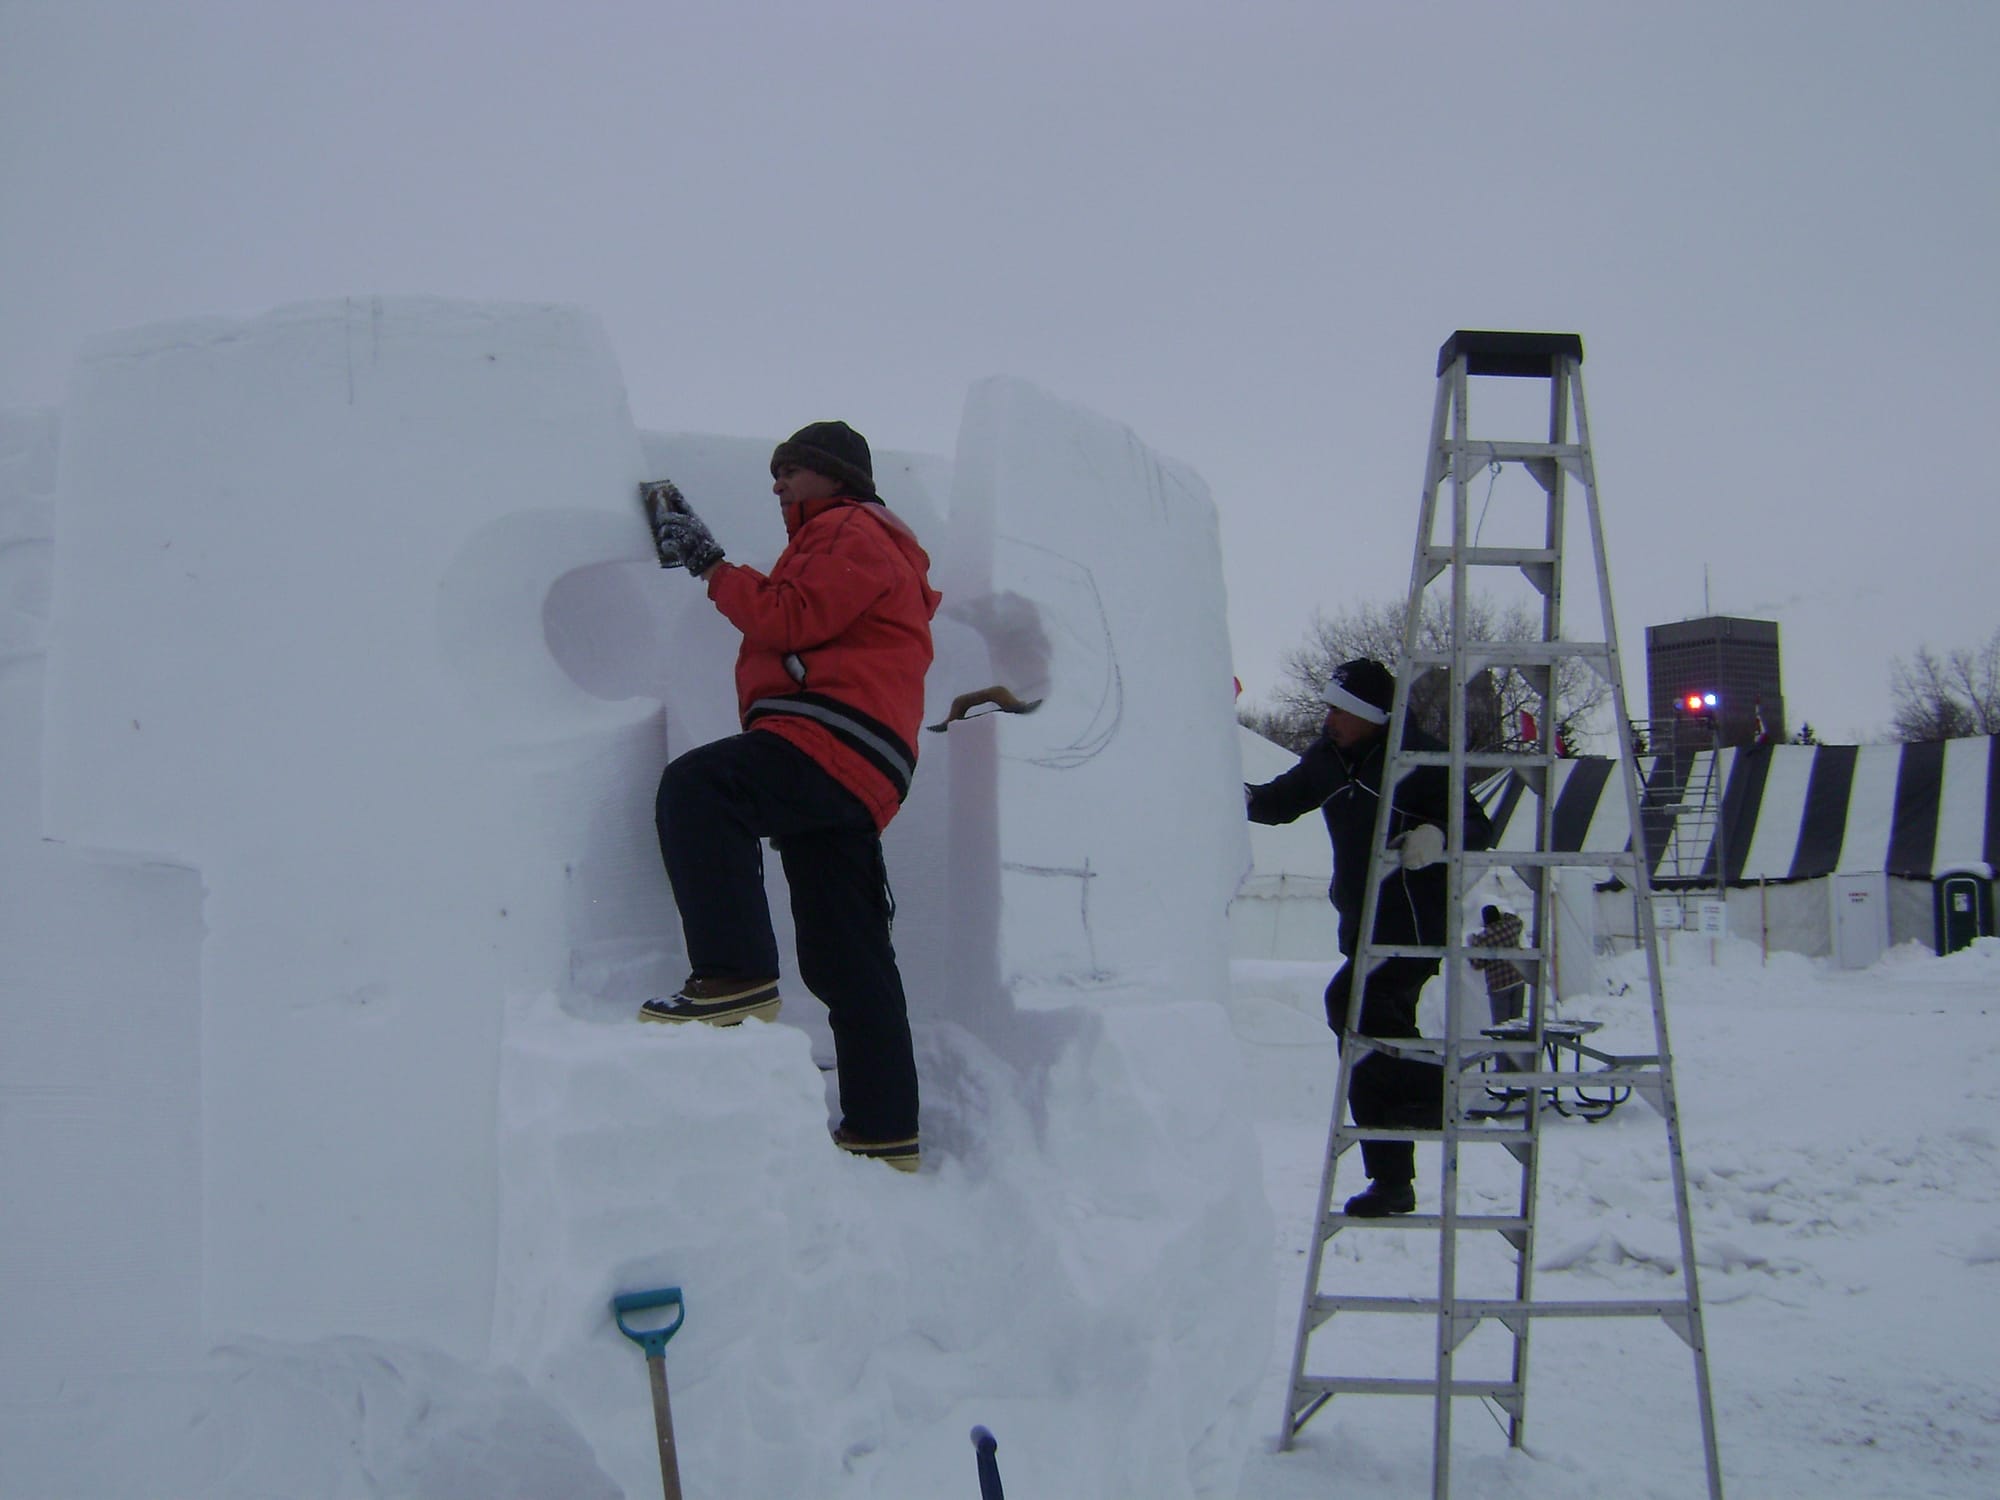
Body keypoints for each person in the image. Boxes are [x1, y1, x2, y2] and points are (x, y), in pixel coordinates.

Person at [640, 421, 940, 1173]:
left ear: (836, 476)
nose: (777, 485)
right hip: (861, 762)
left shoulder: (851, 528)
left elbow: (787, 616)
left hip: (834, 736)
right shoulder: (852, 537)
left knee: (702, 788)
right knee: (848, 956)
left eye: (791, 471)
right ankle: (883, 1131)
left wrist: (709, 563)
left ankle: (734, 975)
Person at [1246, 658, 1494, 1216]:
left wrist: (1439, 835)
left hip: (1414, 924)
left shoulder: (1421, 759)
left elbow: (1480, 826)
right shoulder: (1327, 758)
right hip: (1362, 922)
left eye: (1340, 710)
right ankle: (1395, 1171)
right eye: (1329, 708)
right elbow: (1280, 802)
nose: (1329, 719)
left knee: (1354, 1006)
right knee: (1364, 1037)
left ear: (1372, 715)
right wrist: (1235, 797)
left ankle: (1437, 1093)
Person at [1468, 904, 1528, 1026]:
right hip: (1517, 980)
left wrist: (1472, 943)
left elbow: (1476, 964)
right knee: (1517, 1024)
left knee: (1501, 1026)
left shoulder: (1483, 939)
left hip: (1499, 985)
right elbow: (1518, 920)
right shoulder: (1510, 927)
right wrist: (1503, 915)